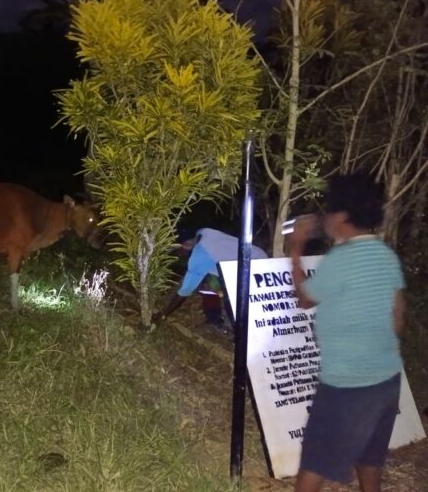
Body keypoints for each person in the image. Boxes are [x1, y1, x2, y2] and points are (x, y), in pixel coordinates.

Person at [289, 173, 405, 492]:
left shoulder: (341, 259)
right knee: (370, 462)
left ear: (341, 217)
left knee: (315, 463)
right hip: (386, 381)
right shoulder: (386, 256)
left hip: (346, 385)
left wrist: (296, 248)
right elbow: (398, 318)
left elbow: (303, 299)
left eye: (329, 211)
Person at [153, 228, 268, 331]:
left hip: (253, 267)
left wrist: (164, 314)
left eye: (177, 252)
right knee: (207, 287)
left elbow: (184, 292)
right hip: (259, 256)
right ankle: (214, 317)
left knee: (234, 298)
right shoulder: (205, 232)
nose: (178, 256)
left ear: (187, 244)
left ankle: (237, 331)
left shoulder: (200, 256)